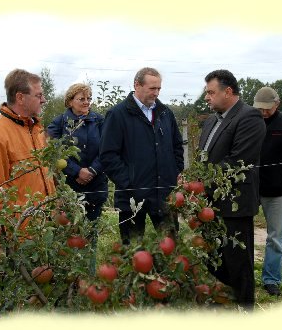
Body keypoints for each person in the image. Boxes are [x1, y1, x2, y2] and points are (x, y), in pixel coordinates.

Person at [198, 69, 266, 310]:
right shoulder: (210, 122)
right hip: (210, 203)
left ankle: (245, 308)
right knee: (214, 258)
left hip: (235, 203)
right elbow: (203, 158)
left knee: (238, 261)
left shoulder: (249, 118)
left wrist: (200, 179)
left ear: (228, 91)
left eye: (211, 92)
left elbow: (239, 161)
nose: (206, 97)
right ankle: (221, 304)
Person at [99, 67, 184, 245]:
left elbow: (177, 146)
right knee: (133, 254)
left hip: (164, 195)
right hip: (131, 199)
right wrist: (129, 182)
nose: (156, 93)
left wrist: (174, 172)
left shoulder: (165, 114)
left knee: (171, 249)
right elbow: (108, 155)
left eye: (159, 88)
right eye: (152, 88)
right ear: (137, 85)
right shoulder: (118, 115)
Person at [0, 68, 55, 230]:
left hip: (43, 231)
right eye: (38, 95)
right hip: (19, 236)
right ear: (20, 97)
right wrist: (3, 242)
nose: (44, 100)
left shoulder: (36, 130)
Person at [47, 83, 108, 274]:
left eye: (89, 98)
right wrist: (76, 171)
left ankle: (87, 276)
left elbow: (108, 149)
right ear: (70, 101)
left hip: (95, 185)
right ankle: (66, 275)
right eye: (81, 98)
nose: (86, 102)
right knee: (67, 233)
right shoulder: (58, 123)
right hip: (69, 187)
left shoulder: (99, 120)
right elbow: (53, 153)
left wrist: (92, 170)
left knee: (91, 232)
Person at [253, 86, 282, 296]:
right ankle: (243, 275)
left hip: (279, 192)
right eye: (259, 108)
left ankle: (271, 279)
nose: (263, 112)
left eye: (267, 109)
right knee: (242, 233)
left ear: (277, 104)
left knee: (275, 238)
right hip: (252, 188)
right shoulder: (251, 122)